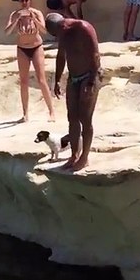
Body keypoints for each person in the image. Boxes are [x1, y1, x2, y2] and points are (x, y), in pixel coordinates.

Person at [47, 13, 102, 171]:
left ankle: (84, 157)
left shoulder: (84, 28)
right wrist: (57, 79)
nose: (59, 37)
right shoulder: (63, 34)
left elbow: (95, 56)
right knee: (72, 116)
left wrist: (91, 82)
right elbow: (61, 56)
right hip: (74, 77)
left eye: (58, 33)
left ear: (62, 26)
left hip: (89, 75)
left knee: (85, 118)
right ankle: (74, 155)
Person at [4, 0, 55, 123]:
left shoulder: (36, 13)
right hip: (22, 49)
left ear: (30, 0)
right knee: (24, 81)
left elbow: (44, 30)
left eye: (26, 0)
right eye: (22, 1)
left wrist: (34, 19)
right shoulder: (14, 14)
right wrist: (16, 21)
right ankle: (25, 113)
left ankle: (51, 111)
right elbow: (7, 31)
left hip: (36, 47)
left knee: (41, 79)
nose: (24, 3)